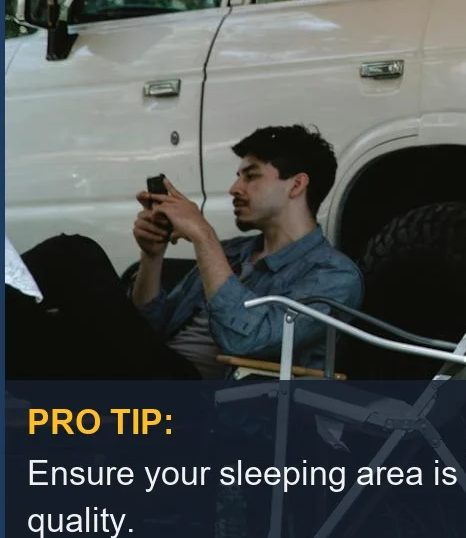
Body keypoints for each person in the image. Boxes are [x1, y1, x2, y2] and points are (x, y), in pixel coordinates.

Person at [9, 125, 363, 379]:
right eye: (238, 175)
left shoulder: (332, 275)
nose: (234, 188)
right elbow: (149, 330)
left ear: (297, 185)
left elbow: (247, 342)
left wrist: (202, 234)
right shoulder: (233, 253)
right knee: (38, 332)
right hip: (149, 375)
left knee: (77, 254)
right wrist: (152, 257)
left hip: (202, 405)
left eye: (251, 176)